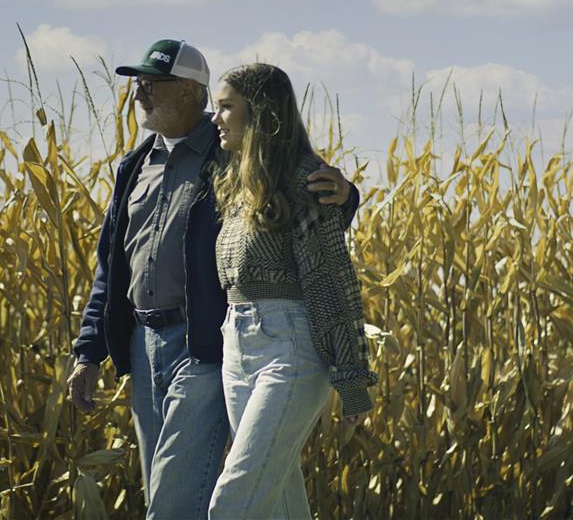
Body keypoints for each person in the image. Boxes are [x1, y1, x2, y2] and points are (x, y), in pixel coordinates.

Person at [68, 39, 359, 520]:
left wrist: (346, 196)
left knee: (175, 503)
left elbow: (301, 192)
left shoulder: (233, 151)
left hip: (204, 345)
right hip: (143, 344)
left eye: (150, 84)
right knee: (169, 488)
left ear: (187, 91)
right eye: (137, 84)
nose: (138, 94)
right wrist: (89, 350)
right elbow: (110, 266)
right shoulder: (134, 167)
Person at [208, 62, 376, 520]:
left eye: (226, 107)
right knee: (279, 502)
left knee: (233, 503)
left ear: (260, 113)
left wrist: (352, 377)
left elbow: (329, 283)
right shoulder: (238, 181)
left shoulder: (309, 183)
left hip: (290, 350)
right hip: (237, 348)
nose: (215, 118)